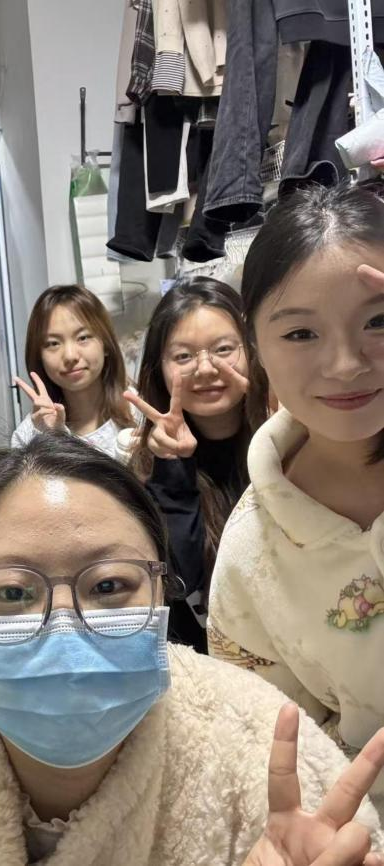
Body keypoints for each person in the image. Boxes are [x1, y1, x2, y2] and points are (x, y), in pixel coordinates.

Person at [0, 435, 384, 866]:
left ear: (161, 594)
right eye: (12, 592)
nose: (64, 630)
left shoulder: (270, 766)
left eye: (108, 585)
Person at [208, 182, 384, 815]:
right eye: (302, 333)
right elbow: (276, 753)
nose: (345, 363)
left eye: (379, 321)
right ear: (253, 346)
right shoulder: (251, 555)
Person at [125, 277, 250, 653]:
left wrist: (281, 439)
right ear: (159, 370)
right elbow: (180, 582)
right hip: (208, 665)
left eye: (224, 349)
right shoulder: (148, 468)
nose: (206, 368)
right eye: (183, 356)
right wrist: (172, 468)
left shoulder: (294, 440)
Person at [12, 284, 136, 460]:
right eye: (53, 343)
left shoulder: (141, 411)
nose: (70, 356)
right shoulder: (27, 436)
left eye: (83, 338)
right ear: (39, 356)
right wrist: (52, 438)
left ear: (106, 344)